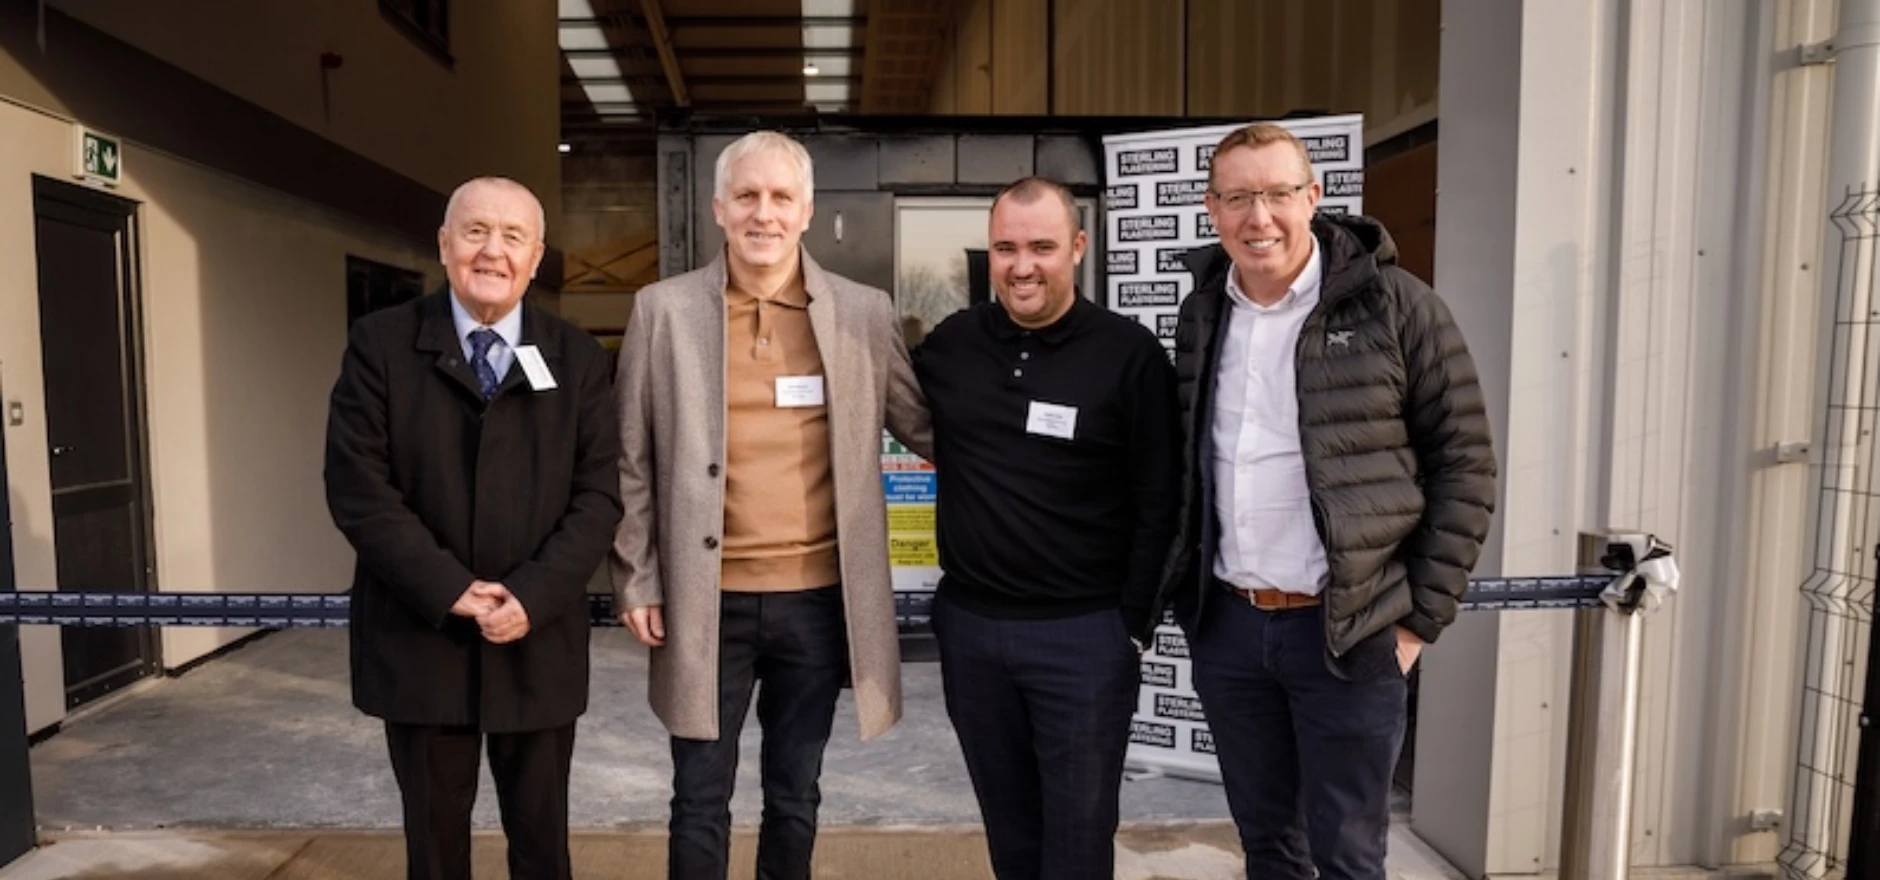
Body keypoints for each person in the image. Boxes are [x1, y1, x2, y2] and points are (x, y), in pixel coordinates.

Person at [1155, 122, 1498, 880]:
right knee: (1270, 846)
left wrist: (1416, 623)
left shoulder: (1397, 307)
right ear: (1212, 209)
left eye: (1278, 193)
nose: (1260, 217)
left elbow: (1466, 465)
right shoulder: (1203, 314)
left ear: (1313, 197)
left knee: (1347, 855)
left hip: (1350, 635)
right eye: (1239, 197)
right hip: (1233, 632)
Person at [610, 130, 932, 880]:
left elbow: (924, 426)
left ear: (808, 210)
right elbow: (631, 457)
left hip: (817, 604)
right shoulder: (662, 312)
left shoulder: (863, 313)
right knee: (698, 797)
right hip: (702, 602)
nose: (765, 213)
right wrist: (637, 574)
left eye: (781, 196)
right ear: (718, 208)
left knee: (795, 794)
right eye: (747, 196)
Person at [324, 176, 622, 880]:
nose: (493, 251)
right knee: (434, 849)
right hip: (421, 638)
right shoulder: (381, 345)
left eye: (513, 236)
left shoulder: (576, 358)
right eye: (475, 232)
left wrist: (532, 595)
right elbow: (358, 488)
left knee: (543, 847)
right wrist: (452, 588)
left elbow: (601, 494)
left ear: (537, 254)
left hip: (536, 640)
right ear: (444, 243)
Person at [913, 177, 1180, 880]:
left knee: (1079, 837)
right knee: (1010, 831)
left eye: (1041, 246)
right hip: (972, 629)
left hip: (1085, 635)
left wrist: (1132, 624)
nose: (1022, 265)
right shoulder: (952, 344)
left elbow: (1162, 498)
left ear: (1078, 248)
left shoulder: (1129, 354)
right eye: (1006, 247)